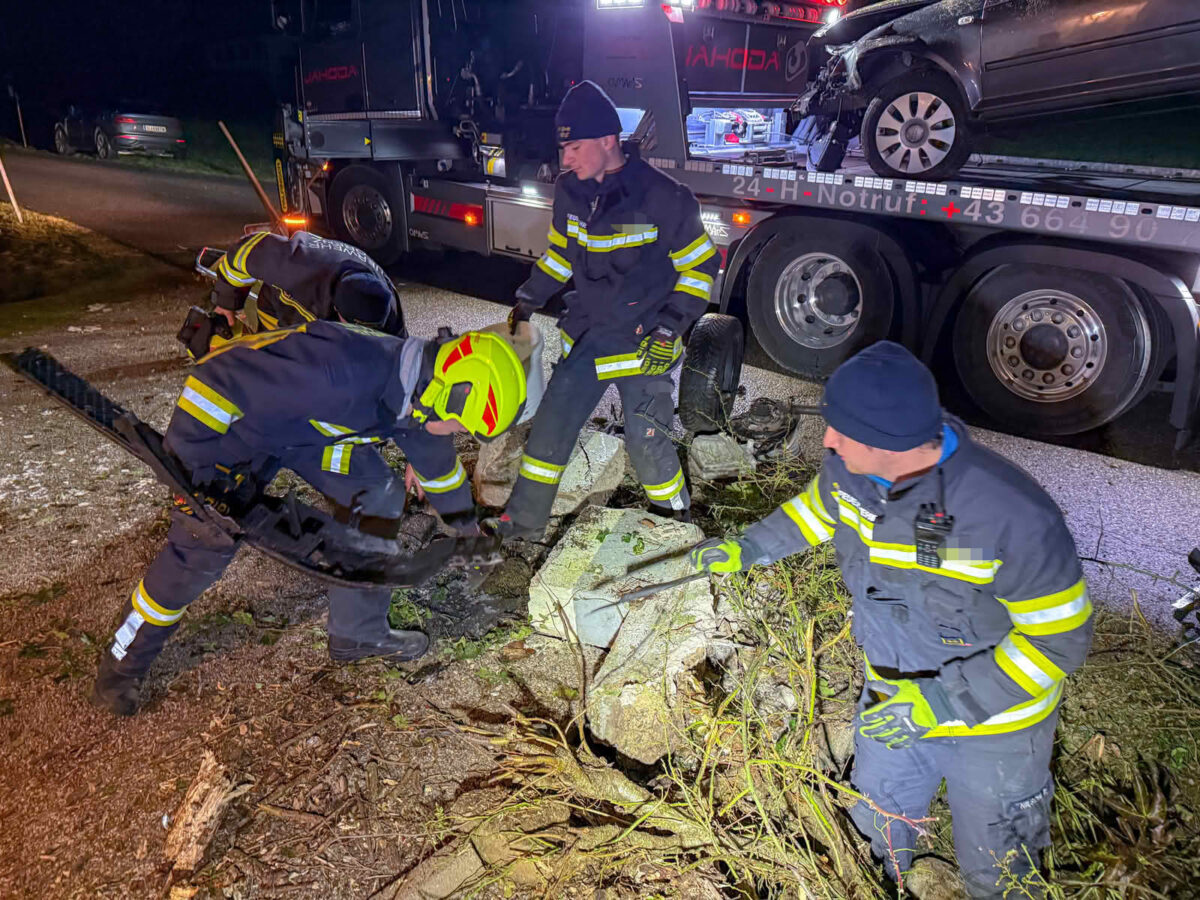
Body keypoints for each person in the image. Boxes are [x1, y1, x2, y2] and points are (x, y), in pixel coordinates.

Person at [690, 342, 1093, 897]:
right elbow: (814, 512)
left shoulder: (1011, 515)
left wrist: (942, 703)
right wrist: (748, 547)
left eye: (842, 432)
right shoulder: (850, 473)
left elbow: (1058, 643)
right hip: (890, 699)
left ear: (888, 441)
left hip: (999, 728)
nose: (828, 441)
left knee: (1001, 872)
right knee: (871, 840)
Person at [92, 320, 527, 716]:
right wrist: (190, 474)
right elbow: (213, 382)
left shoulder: (419, 388)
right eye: (458, 426)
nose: (456, 434)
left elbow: (440, 471)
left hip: (302, 433)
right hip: (232, 434)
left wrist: (468, 532)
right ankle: (122, 664)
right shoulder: (341, 373)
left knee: (377, 492)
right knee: (198, 550)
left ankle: (357, 633)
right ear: (445, 395)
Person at [485, 80, 721, 539]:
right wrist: (529, 298)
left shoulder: (663, 196)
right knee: (550, 429)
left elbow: (699, 267)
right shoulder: (570, 192)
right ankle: (522, 523)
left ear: (608, 140)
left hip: (645, 343)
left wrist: (670, 328)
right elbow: (560, 255)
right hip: (588, 336)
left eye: (574, 147)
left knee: (647, 443)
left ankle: (676, 522)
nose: (566, 159)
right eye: (564, 149)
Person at [178, 230, 406, 359]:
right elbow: (244, 252)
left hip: (315, 314)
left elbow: (399, 360)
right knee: (263, 362)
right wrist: (226, 303)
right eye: (355, 330)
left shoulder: (389, 309)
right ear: (337, 309)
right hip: (279, 307)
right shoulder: (298, 266)